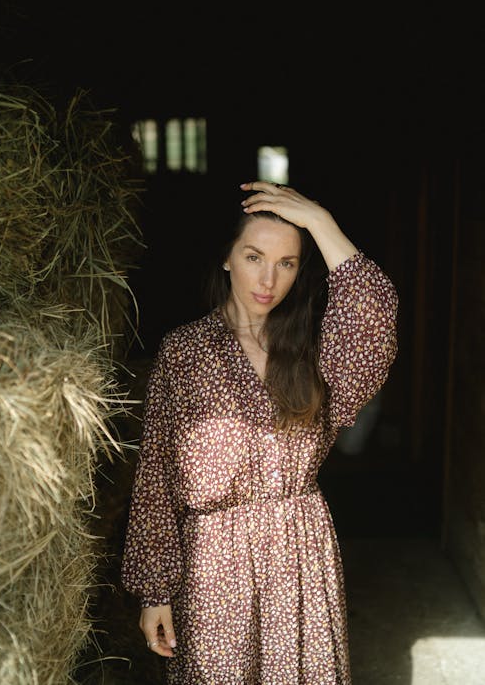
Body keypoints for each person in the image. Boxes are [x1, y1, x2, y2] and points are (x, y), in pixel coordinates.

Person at [120, 181, 399, 684]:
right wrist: (155, 591)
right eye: (254, 256)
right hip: (213, 565)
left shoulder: (317, 349)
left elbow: (374, 318)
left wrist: (320, 219)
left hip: (300, 551)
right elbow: (155, 479)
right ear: (227, 258)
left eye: (287, 263)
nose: (268, 278)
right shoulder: (184, 353)